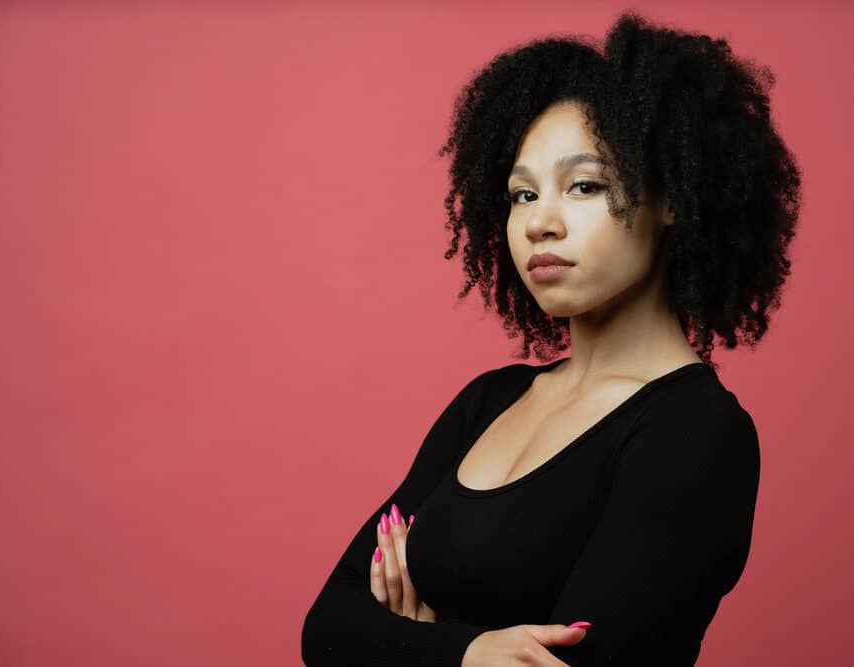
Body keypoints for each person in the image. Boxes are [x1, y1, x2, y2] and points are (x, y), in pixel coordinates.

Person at [301, 10, 801, 666]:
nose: (540, 222)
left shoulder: (697, 431)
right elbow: (325, 626)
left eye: (583, 185)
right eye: (521, 195)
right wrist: (469, 654)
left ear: (672, 196)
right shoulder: (488, 402)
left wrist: (408, 641)